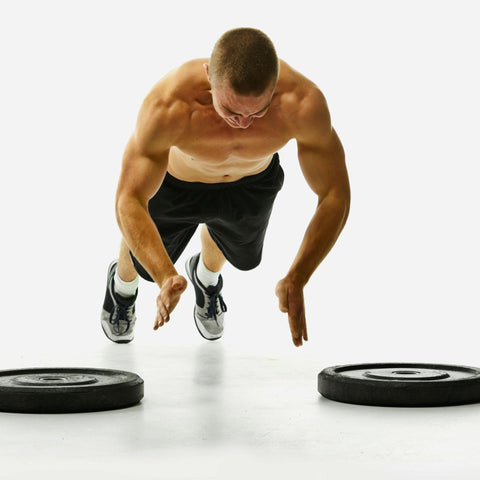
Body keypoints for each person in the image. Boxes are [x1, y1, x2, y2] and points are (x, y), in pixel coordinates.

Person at [101, 27, 350, 347]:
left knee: (241, 256)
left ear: (274, 86)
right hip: (177, 183)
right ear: (208, 75)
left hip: (251, 184)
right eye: (231, 110)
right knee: (143, 266)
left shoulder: (302, 103)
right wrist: (165, 275)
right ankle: (122, 289)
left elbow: (334, 193)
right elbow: (130, 198)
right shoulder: (169, 105)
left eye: (258, 112)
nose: (244, 123)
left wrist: (299, 276)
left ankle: (205, 277)